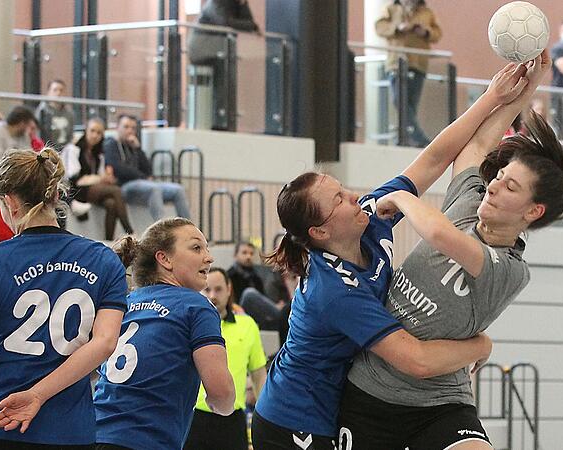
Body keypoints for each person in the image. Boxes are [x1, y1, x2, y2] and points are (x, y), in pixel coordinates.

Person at [251, 60, 531, 449]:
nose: (355, 197)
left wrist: (492, 98)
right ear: (321, 231)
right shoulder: (334, 290)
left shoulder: (365, 218)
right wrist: (480, 346)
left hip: (336, 407)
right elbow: (415, 359)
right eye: (340, 199)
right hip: (294, 420)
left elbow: (434, 158)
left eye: (344, 188)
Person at [340, 52, 563, 450]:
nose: (495, 186)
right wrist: (525, 89)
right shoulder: (470, 200)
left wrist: (401, 196)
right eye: (500, 177)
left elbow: (442, 236)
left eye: (510, 188)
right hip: (370, 394)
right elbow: (481, 141)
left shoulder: (510, 270)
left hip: (440, 402)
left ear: (532, 212)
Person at [0, 148, 127, 449]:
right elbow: (105, 343)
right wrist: (39, 393)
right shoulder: (103, 259)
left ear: (10, 202)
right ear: (55, 196)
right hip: (70, 431)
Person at [94, 218, 235, 449]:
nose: (208, 258)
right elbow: (221, 393)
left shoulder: (123, 304)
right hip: (146, 442)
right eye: (196, 248)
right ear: (164, 259)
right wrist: (223, 405)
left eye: (207, 249)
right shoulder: (196, 305)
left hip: (95, 435)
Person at [184, 267, 267, 450]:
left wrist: (264, 416)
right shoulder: (188, 324)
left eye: (219, 289)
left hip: (232, 419)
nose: (213, 295)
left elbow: (258, 374)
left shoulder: (247, 325)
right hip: (194, 416)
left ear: (229, 289)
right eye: (207, 289)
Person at [375, 0, 442, 147]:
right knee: (399, 101)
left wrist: (425, 32)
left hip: (418, 63)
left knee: (411, 104)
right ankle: (419, 139)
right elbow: (379, 27)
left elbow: (437, 33)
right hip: (396, 63)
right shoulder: (391, 9)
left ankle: (405, 138)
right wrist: (397, 28)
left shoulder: (426, 12)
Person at [187, 0, 260, 130]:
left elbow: (250, 24)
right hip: (204, 50)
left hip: (220, 51)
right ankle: (218, 123)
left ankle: (224, 123)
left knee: (226, 83)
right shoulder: (216, 2)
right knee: (222, 85)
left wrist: (243, 4)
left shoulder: (235, 4)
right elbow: (226, 22)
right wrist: (248, 25)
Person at [103, 114, 191, 221]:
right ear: (118, 127)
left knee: (178, 190)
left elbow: (148, 170)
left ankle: (188, 229)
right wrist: (142, 176)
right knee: (154, 188)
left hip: (141, 183)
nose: (130, 131)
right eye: (126, 127)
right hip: (123, 186)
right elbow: (118, 169)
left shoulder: (133, 146)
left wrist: (138, 149)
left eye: (133, 128)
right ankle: (162, 230)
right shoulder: (111, 144)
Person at [62, 117, 133, 240]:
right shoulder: (74, 148)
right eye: (92, 131)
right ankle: (130, 232)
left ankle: (109, 241)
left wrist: (104, 178)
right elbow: (74, 178)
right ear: (86, 130)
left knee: (111, 204)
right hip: (75, 191)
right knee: (115, 190)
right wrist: (100, 178)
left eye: (99, 133)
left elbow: (100, 176)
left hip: (90, 189)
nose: (95, 135)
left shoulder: (98, 154)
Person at [35, 79, 75, 148]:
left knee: (72, 149)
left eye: (61, 90)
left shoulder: (70, 113)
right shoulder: (42, 111)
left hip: (64, 150)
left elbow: (70, 137)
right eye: (55, 90)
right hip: (46, 148)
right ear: (48, 93)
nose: (58, 93)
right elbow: (37, 134)